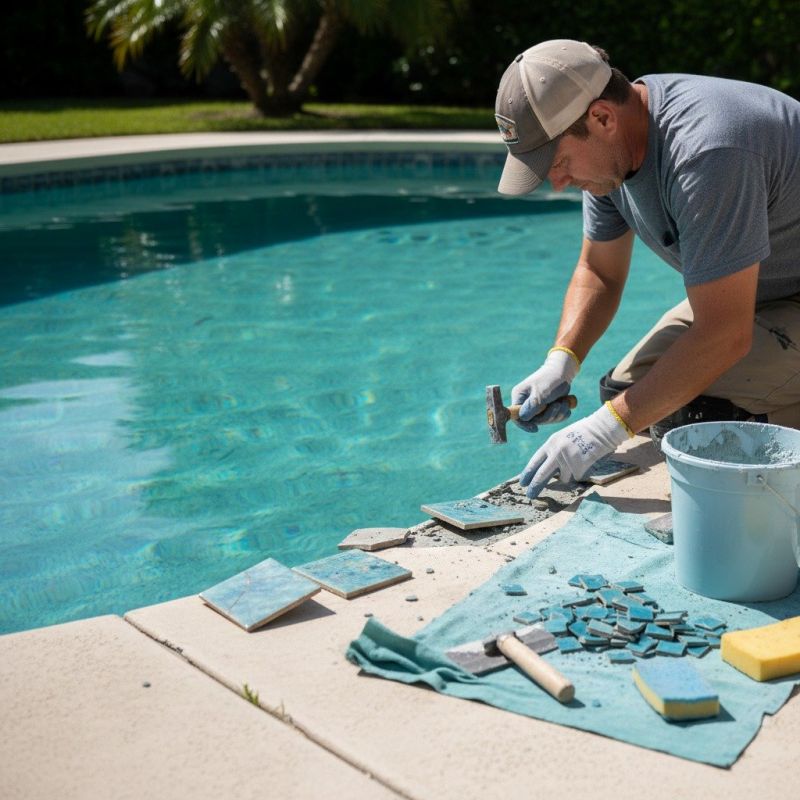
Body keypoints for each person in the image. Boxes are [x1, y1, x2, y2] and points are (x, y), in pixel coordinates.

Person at [494, 39, 800, 499]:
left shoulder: (707, 151)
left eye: (556, 162)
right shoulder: (610, 155)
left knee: (696, 413)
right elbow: (600, 271)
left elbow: (724, 333)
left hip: (778, 296)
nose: (556, 182)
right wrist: (561, 362)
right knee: (627, 392)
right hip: (768, 290)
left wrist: (603, 430)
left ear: (601, 117)